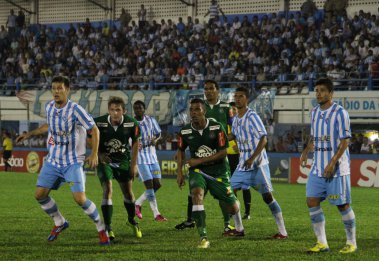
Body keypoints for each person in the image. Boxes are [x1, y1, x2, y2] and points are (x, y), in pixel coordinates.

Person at [16, 76, 110, 245]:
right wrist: (29, 134)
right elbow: (48, 126)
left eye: (60, 88)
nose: (56, 91)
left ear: (67, 90)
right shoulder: (50, 106)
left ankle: (101, 228)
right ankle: (60, 222)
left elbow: (94, 129)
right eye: (54, 88)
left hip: (72, 162)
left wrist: (94, 153)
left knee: (80, 199)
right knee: (39, 195)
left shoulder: (76, 110)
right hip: (53, 161)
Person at [176, 98, 244, 249]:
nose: (194, 113)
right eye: (191, 110)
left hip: (219, 170)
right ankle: (203, 237)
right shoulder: (185, 131)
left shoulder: (216, 127)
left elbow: (223, 152)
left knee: (232, 207)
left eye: (197, 110)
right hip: (198, 171)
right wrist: (179, 172)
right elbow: (180, 151)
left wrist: (198, 161)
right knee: (197, 195)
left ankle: (236, 221)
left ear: (204, 111)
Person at [300, 78, 357, 254]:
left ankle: (351, 242)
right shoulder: (315, 112)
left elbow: (345, 141)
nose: (318, 93)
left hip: (337, 169)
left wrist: (333, 162)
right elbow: (314, 136)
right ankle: (322, 243)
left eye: (323, 90)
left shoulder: (340, 113)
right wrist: (305, 151)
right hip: (318, 167)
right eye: (316, 90)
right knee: (311, 201)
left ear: (331, 93)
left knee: (343, 205)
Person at [175, 80, 235, 234]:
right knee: (196, 192)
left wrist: (219, 139)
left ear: (217, 91)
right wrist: (180, 169)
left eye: (211, 88)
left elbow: (235, 128)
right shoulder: (200, 107)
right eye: (206, 89)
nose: (208, 91)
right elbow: (183, 144)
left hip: (220, 156)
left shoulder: (226, 108)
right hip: (200, 160)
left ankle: (228, 223)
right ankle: (193, 221)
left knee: (226, 195)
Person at [228, 86, 288, 239]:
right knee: (229, 193)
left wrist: (252, 158)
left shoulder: (252, 116)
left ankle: (282, 232)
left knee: (267, 197)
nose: (237, 99)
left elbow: (264, 139)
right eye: (236, 96)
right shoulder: (235, 119)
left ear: (246, 99)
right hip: (243, 165)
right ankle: (239, 228)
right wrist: (217, 139)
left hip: (257, 165)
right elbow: (232, 136)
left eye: (240, 96)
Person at [94, 96, 142, 241]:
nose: (115, 113)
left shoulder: (131, 123)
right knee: (107, 189)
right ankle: (108, 227)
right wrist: (99, 154)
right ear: (108, 111)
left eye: (118, 110)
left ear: (124, 111)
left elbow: (135, 144)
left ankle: (131, 219)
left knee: (128, 194)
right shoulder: (98, 122)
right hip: (105, 162)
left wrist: (133, 165)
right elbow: (90, 138)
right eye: (112, 110)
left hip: (123, 161)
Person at [133, 100, 167, 222]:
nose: (137, 110)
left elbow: (160, 135)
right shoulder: (132, 123)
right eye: (135, 108)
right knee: (150, 186)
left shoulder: (151, 121)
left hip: (153, 157)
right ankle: (156, 214)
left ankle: (137, 203)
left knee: (158, 184)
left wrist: (156, 141)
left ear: (144, 109)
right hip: (140, 158)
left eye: (139, 108)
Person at [227, 102, 252, 220]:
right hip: (228, 157)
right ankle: (234, 211)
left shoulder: (243, 122)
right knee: (233, 185)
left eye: (234, 108)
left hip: (241, 157)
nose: (232, 110)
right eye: (231, 109)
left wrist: (240, 148)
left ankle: (247, 212)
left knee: (245, 186)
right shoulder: (228, 123)